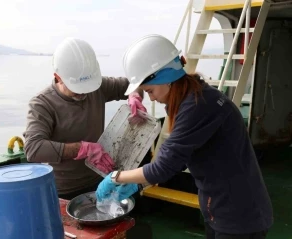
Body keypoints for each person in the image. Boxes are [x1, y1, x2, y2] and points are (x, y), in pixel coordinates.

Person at [96, 34, 273, 239]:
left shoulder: (197, 106)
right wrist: (137, 183)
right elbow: (177, 160)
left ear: (165, 78)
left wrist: (116, 177)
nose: (151, 97)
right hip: (220, 205)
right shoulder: (193, 97)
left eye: (150, 90)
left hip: (239, 215)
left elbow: (162, 168)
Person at [23, 37, 146, 200]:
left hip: (102, 179)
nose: (84, 93)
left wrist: (135, 97)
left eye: (88, 88)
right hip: (64, 190)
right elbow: (33, 149)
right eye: (77, 89)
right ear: (58, 77)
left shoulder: (96, 87)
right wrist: (82, 149)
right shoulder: (42, 104)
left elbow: (134, 84)